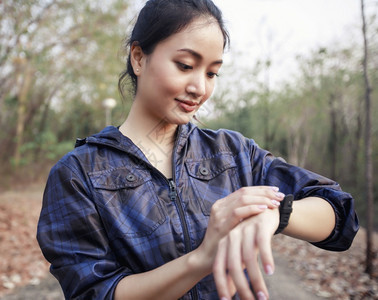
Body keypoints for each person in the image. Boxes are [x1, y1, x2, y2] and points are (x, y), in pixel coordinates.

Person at [36, 0, 359, 299]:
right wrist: (201, 259)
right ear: (139, 58)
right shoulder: (79, 173)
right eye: (185, 65)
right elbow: (95, 291)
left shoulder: (233, 153)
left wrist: (278, 212)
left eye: (212, 72)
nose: (200, 88)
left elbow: (340, 214)